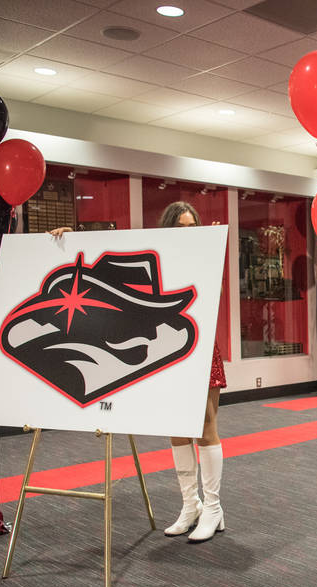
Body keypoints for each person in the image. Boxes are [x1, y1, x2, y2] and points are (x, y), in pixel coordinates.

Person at [48, 201, 227, 543]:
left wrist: (210, 252)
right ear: (168, 231)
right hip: (165, 349)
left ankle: (214, 509)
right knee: (176, 428)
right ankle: (191, 506)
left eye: (192, 228)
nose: (186, 234)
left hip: (199, 348)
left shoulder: (204, 256)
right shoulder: (154, 257)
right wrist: (74, 243)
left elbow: (214, 298)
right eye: (180, 228)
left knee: (205, 426)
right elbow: (114, 259)